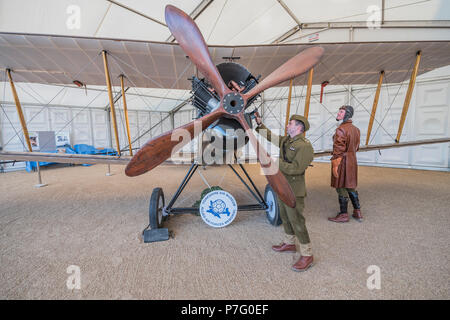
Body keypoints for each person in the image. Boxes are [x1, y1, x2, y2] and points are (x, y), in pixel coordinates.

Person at [255, 112, 315, 272]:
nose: (287, 125)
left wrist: (276, 163)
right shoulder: (288, 140)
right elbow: (272, 138)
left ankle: (307, 255)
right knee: (285, 216)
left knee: (297, 221)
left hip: (294, 189)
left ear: (299, 127)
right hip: (282, 185)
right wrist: (260, 124)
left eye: (290, 123)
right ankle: (289, 243)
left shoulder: (305, 146)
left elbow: (297, 168)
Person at [328, 105, 363, 223]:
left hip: (342, 160)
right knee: (351, 185)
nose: (338, 114)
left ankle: (343, 214)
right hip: (352, 160)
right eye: (339, 111)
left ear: (347, 114)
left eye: (341, 112)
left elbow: (338, 149)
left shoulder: (340, 130)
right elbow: (357, 147)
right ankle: (357, 211)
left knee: (340, 186)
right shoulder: (356, 129)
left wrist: (336, 164)